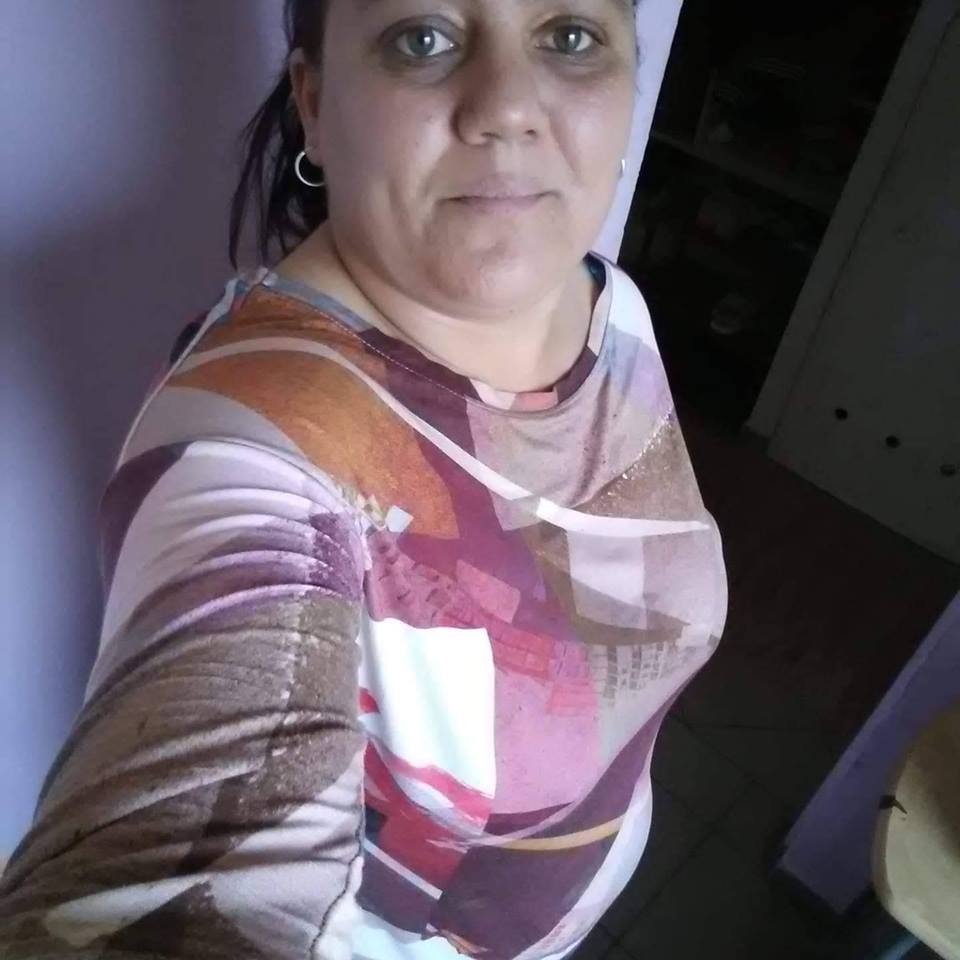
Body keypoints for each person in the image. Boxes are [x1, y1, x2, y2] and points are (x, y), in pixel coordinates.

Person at [0, 0, 728, 956]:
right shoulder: (253, 456)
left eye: (569, 37)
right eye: (424, 39)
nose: (509, 106)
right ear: (313, 100)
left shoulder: (607, 301)